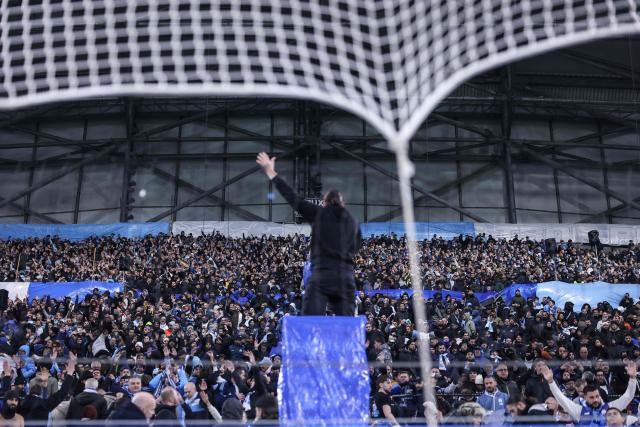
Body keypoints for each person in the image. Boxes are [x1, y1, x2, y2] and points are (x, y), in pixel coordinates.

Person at [256, 152, 361, 316]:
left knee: (311, 320)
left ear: (324, 203)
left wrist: (271, 172)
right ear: (343, 204)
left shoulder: (320, 213)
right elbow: (356, 247)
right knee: (346, 325)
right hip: (345, 277)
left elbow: (292, 197)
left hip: (322, 275)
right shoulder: (353, 221)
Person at [540, 362, 638, 426]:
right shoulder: (578, 411)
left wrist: (633, 378)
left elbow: (628, 396)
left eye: (597, 396)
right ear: (585, 398)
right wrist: (551, 381)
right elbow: (561, 398)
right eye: (591, 397)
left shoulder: (611, 408)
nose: (595, 399)